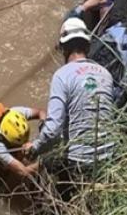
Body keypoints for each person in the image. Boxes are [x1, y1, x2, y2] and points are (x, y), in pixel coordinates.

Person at [25, 17, 114, 200]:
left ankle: (58, 211)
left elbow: (53, 130)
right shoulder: (106, 74)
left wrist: (34, 148)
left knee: (46, 161)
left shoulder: (62, 75)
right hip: (109, 156)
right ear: (88, 47)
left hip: (81, 161)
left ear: (64, 48)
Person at [68, 0, 127, 107]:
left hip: (117, 23)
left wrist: (84, 6)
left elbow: (68, 30)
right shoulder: (109, 99)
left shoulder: (72, 72)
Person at [0, 103, 46, 195]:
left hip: (7, 148)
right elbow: (24, 172)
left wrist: (43, 132)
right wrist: (45, 162)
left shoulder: (16, 113)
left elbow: (40, 112)